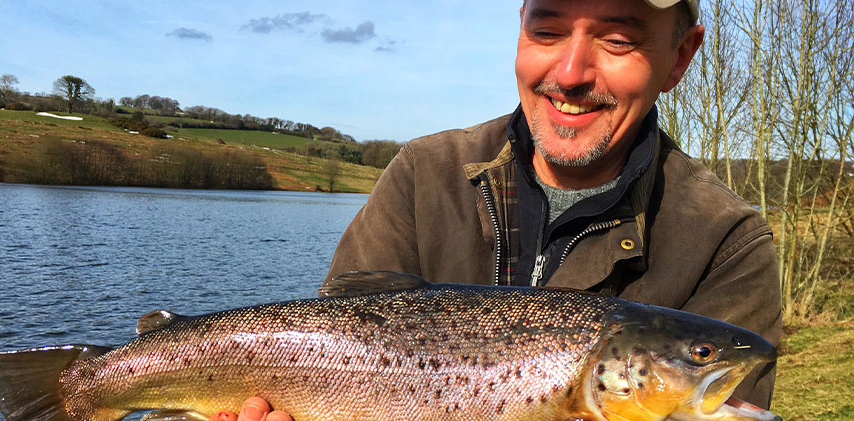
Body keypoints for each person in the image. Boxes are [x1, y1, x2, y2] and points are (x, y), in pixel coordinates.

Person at [224, 0, 781, 419]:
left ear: (680, 57)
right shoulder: (424, 173)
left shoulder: (726, 242)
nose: (569, 74)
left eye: (615, 39)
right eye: (546, 30)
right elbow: (341, 322)